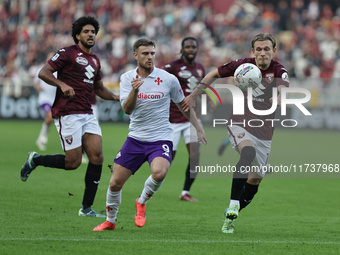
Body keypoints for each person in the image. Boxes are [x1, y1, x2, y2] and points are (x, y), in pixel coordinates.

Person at [93, 38, 207, 231]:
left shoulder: (168, 78)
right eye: (145, 53)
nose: (150, 57)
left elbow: (183, 106)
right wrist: (135, 92)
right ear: (135, 55)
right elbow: (127, 110)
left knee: (160, 172)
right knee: (114, 183)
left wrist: (198, 127)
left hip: (161, 137)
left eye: (152, 53)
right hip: (135, 139)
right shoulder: (127, 78)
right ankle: (110, 221)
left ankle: (142, 201)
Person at [184, 33, 289, 233]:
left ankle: (232, 215)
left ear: (274, 51)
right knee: (247, 153)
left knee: (256, 179)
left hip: (264, 133)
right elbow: (213, 73)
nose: (262, 53)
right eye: (258, 49)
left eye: (267, 49)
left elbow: (283, 94)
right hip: (239, 123)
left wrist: (275, 101)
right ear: (253, 51)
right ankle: (233, 204)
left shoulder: (279, 71)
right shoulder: (243, 67)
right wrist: (194, 95)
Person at [20, 16, 119, 217]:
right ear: (77, 35)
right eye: (86, 31)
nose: (91, 34)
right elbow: (43, 72)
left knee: (97, 157)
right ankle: (36, 160)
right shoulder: (67, 53)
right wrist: (62, 84)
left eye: (93, 32)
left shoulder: (96, 60)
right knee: (72, 163)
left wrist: (117, 97)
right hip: (68, 113)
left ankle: (86, 208)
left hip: (87, 113)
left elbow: (99, 89)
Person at [163, 37, 205, 202]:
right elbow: (159, 82)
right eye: (187, 47)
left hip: (191, 119)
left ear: (196, 49)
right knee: (167, 159)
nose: (190, 49)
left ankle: (185, 192)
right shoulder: (172, 66)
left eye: (193, 47)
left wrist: (208, 100)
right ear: (182, 49)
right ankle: (149, 188)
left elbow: (200, 88)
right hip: (172, 120)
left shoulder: (200, 68)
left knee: (195, 155)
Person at [33, 52, 57, 151]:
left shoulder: (58, 71)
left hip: (55, 99)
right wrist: (38, 87)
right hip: (44, 98)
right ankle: (42, 137)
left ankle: (41, 138)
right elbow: (35, 82)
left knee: (50, 119)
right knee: (50, 116)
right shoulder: (41, 69)